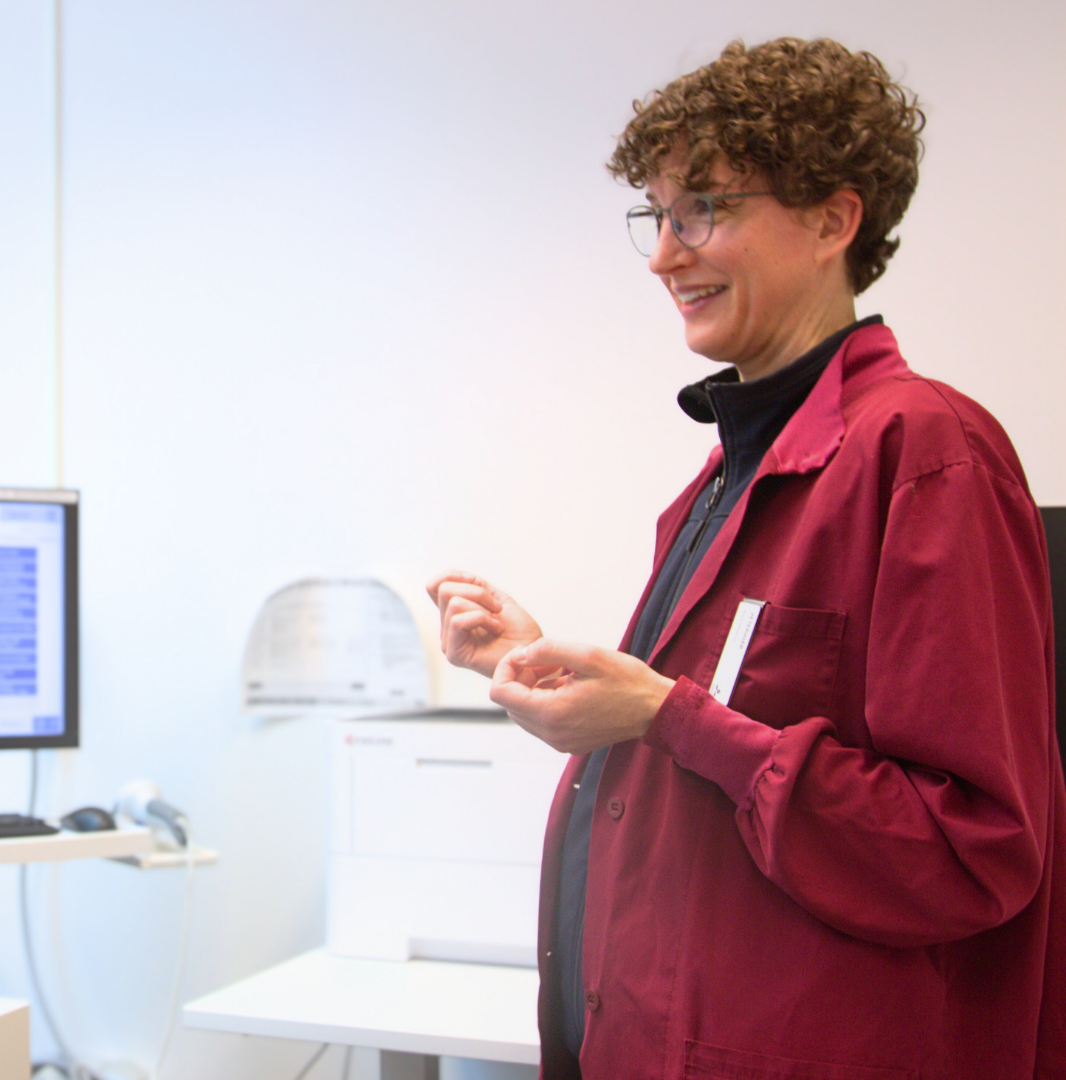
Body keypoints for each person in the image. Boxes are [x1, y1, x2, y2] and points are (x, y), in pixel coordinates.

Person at [428, 39, 1066, 1079]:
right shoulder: (729, 475)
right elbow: (707, 745)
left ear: (833, 219)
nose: (664, 255)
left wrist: (661, 713)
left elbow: (968, 847)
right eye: (658, 215)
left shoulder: (924, 452)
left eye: (704, 211)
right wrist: (546, 664)